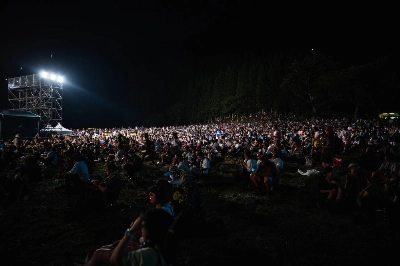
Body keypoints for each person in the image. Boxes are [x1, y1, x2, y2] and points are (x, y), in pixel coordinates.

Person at [86, 208, 174, 266]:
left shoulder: (149, 254)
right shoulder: (164, 248)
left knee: (100, 253)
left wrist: (131, 230)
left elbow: (115, 260)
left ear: (151, 229)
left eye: (143, 226)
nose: (141, 229)